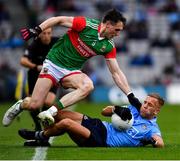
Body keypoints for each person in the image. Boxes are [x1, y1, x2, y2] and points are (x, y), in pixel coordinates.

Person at [2, 8, 140, 127]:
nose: (118, 34)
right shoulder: (86, 25)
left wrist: (130, 95)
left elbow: (116, 72)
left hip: (71, 71)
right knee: (34, 105)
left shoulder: (108, 46)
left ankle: (51, 111)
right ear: (108, 24)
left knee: (88, 86)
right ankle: (20, 105)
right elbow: (58, 20)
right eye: (117, 30)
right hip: (53, 64)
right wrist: (37, 30)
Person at [18, 93, 165, 148]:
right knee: (59, 114)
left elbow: (160, 142)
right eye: (145, 102)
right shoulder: (133, 109)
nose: (144, 105)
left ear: (156, 111)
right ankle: (44, 138)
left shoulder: (151, 128)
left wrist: (152, 142)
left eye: (149, 105)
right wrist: (116, 109)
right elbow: (103, 111)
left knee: (66, 124)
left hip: (100, 140)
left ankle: (38, 136)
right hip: (100, 125)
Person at [20, 28, 58, 131]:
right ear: (39, 35)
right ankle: (37, 124)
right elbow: (23, 61)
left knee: (49, 102)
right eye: (44, 33)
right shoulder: (34, 45)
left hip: (52, 75)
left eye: (49, 33)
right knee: (33, 105)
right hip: (35, 76)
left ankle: (43, 120)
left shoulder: (57, 42)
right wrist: (36, 66)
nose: (46, 36)